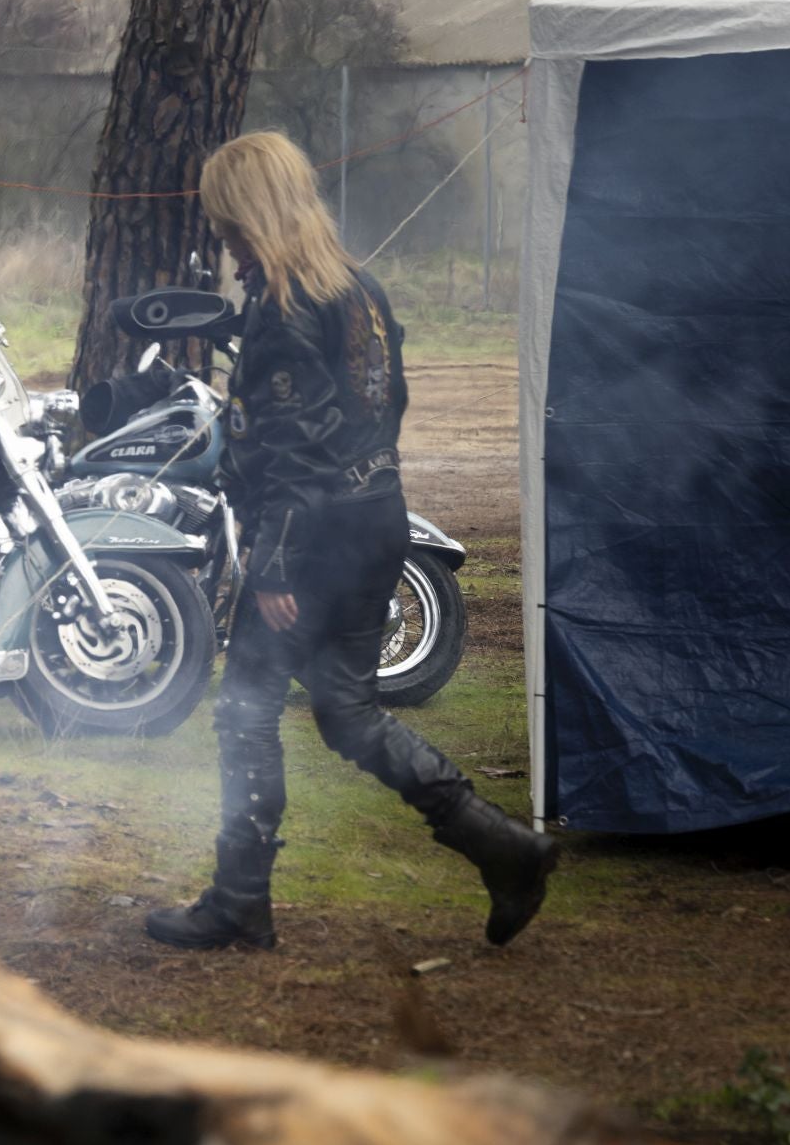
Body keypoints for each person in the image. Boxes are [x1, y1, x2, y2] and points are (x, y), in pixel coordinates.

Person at [144, 132, 559, 951]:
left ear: (253, 218)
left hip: (316, 538)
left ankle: (238, 901)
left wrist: (272, 562)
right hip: (376, 520)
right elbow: (387, 402)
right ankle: (505, 849)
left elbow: (295, 450)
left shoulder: (287, 307)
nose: (225, 248)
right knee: (348, 711)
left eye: (228, 230)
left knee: (246, 711)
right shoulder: (357, 289)